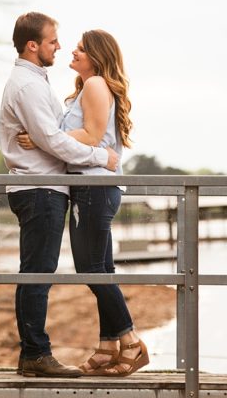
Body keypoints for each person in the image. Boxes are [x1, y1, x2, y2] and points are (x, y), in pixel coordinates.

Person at [17, 29, 149, 377]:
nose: (71, 53)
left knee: (91, 270)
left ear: (97, 56)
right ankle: (107, 348)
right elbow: (92, 136)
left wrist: (42, 138)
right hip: (92, 187)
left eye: (80, 50)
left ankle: (131, 342)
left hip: (94, 187)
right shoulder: (88, 88)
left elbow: (91, 136)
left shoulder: (95, 85)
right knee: (101, 270)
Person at [0, 12, 119, 378]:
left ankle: (42, 351)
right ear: (33, 45)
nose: (60, 46)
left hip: (45, 189)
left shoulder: (36, 82)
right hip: (39, 189)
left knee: (40, 271)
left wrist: (46, 140)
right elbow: (54, 142)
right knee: (37, 273)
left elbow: (52, 136)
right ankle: (36, 353)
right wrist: (103, 157)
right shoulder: (29, 86)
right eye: (53, 41)